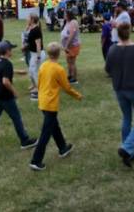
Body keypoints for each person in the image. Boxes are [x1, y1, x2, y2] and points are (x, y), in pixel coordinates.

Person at [29, 42, 82, 171]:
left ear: (48, 53)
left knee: (53, 126)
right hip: (50, 104)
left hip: (43, 101)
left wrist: (39, 95)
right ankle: (36, 161)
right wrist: (78, 95)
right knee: (46, 133)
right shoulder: (58, 69)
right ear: (59, 54)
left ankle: (62, 148)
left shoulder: (43, 66)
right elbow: (66, 87)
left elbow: (39, 83)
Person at [0, 41, 38, 156]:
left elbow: (2, 72)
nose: (11, 51)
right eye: (10, 49)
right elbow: (5, 81)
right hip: (5, 97)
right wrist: (14, 92)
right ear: (6, 51)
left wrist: (17, 71)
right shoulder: (7, 64)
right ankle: (25, 140)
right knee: (16, 118)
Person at [105, 23, 134, 168]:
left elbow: (108, 69)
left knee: (127, 118)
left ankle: (128, 150)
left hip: (120, 88)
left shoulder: (112, 49)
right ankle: (127, 148)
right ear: (129, 32)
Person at [25, 13, 44, 101]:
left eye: (28, 18)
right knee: (31, 72)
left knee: (35, 73)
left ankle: (40, 92)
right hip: (34, 54)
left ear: (32, 20)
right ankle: (36, 88)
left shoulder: (36, 30)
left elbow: (38, 44)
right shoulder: (32, 28)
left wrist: (38, 57)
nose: (26, 19)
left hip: (37, 54)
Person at [60, 10, 81, 84]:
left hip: (72, 45)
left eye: (65, 14)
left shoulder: (73, 22)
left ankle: (74, 78)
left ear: (69, 15)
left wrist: (66, 45)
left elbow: (72, 35)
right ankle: (70, 75)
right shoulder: (67, 22)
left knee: (72, 62)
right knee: (68, 61)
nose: (64, 16)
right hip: (68, 46)